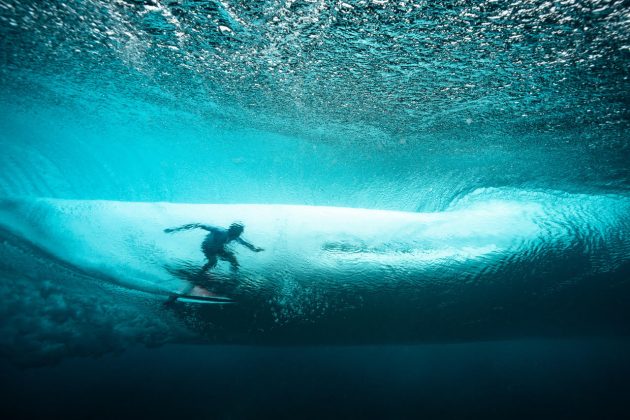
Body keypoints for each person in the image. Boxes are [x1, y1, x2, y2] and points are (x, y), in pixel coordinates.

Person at [164, 222, 264, 275]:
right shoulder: (220, 231)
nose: (240, 233)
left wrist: (255, 249)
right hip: (207, 247)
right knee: (213, 262)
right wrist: (174, 229)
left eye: (240, 232)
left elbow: (246, 244)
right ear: (232, 229)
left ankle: (233, 278)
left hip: (219, 249)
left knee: (233, 260)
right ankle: (199, 275)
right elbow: (198, 224)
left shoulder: (236, 236)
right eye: (238, 231)